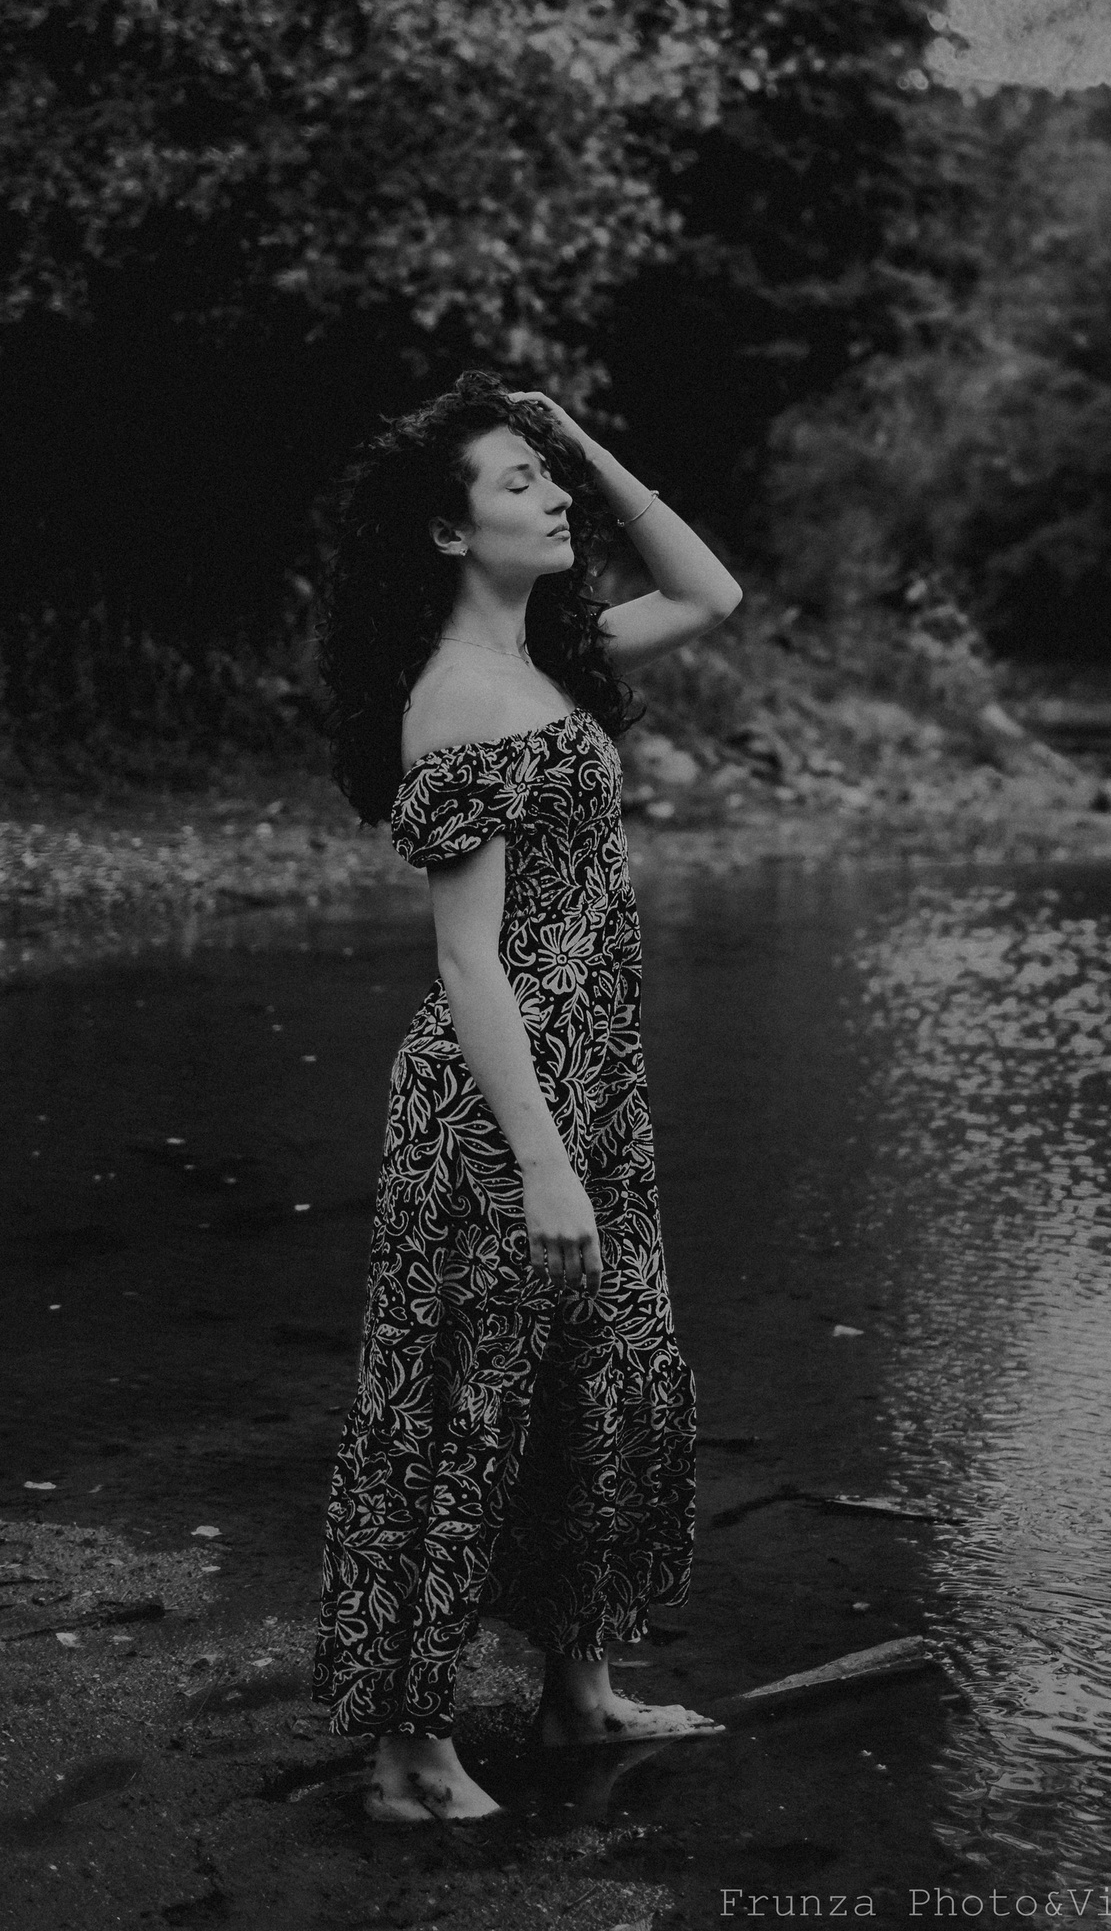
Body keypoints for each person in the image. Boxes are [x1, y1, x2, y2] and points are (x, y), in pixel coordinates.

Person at [310, 370, 743, 1822]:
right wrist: (545, 1163)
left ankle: (578, 1693)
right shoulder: (458, 701)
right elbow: (468, 962)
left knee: (595, 1386)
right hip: (501, 1120)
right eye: (519, 483)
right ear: (449, 533)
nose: (552, 500)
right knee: (462, 1413)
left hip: (593, 1092)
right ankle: (409, 1756)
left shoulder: (557, 661)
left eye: (547, 479)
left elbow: (713, 591)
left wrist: (577, 442)